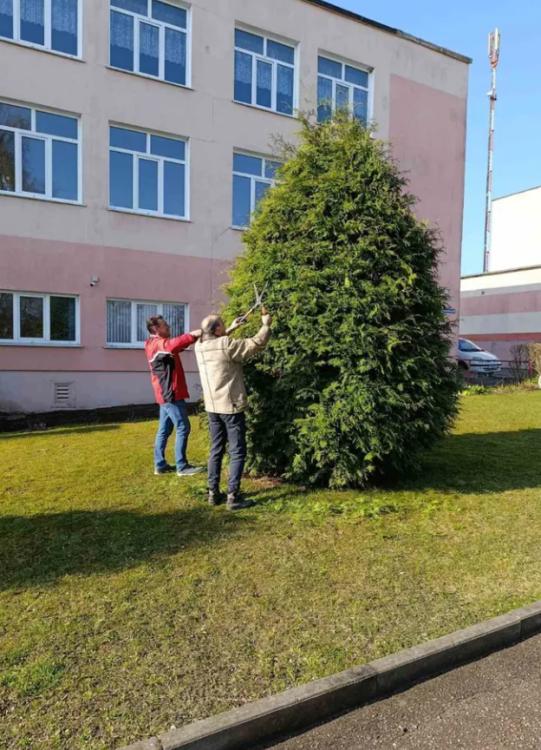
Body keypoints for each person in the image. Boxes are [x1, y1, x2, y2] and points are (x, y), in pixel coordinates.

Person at [195, 308, 272, 511]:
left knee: (216, 449)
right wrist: (265, 325)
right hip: (230, 407)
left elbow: (216, 343)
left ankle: (213, 493)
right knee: (237, 451)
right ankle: (233, 497)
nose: (224, 325)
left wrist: (231, 328)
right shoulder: (226, 345)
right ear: (217, 329)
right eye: (222, 323)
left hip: (212, 407)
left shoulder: (199, 347)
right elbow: (254, 344)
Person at [145, 315, 204, 477]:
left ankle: (160, 465)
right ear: (156, 329)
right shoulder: (157, 344)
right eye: (165, 325)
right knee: (183, 427)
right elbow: (173, 344)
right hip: (170, 395)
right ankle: (182, 467)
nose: (168, 326)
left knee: (164, 429)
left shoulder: (159, 345)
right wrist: (194, 333)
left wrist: (195, 337)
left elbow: (177, 346)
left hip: (165, 395)